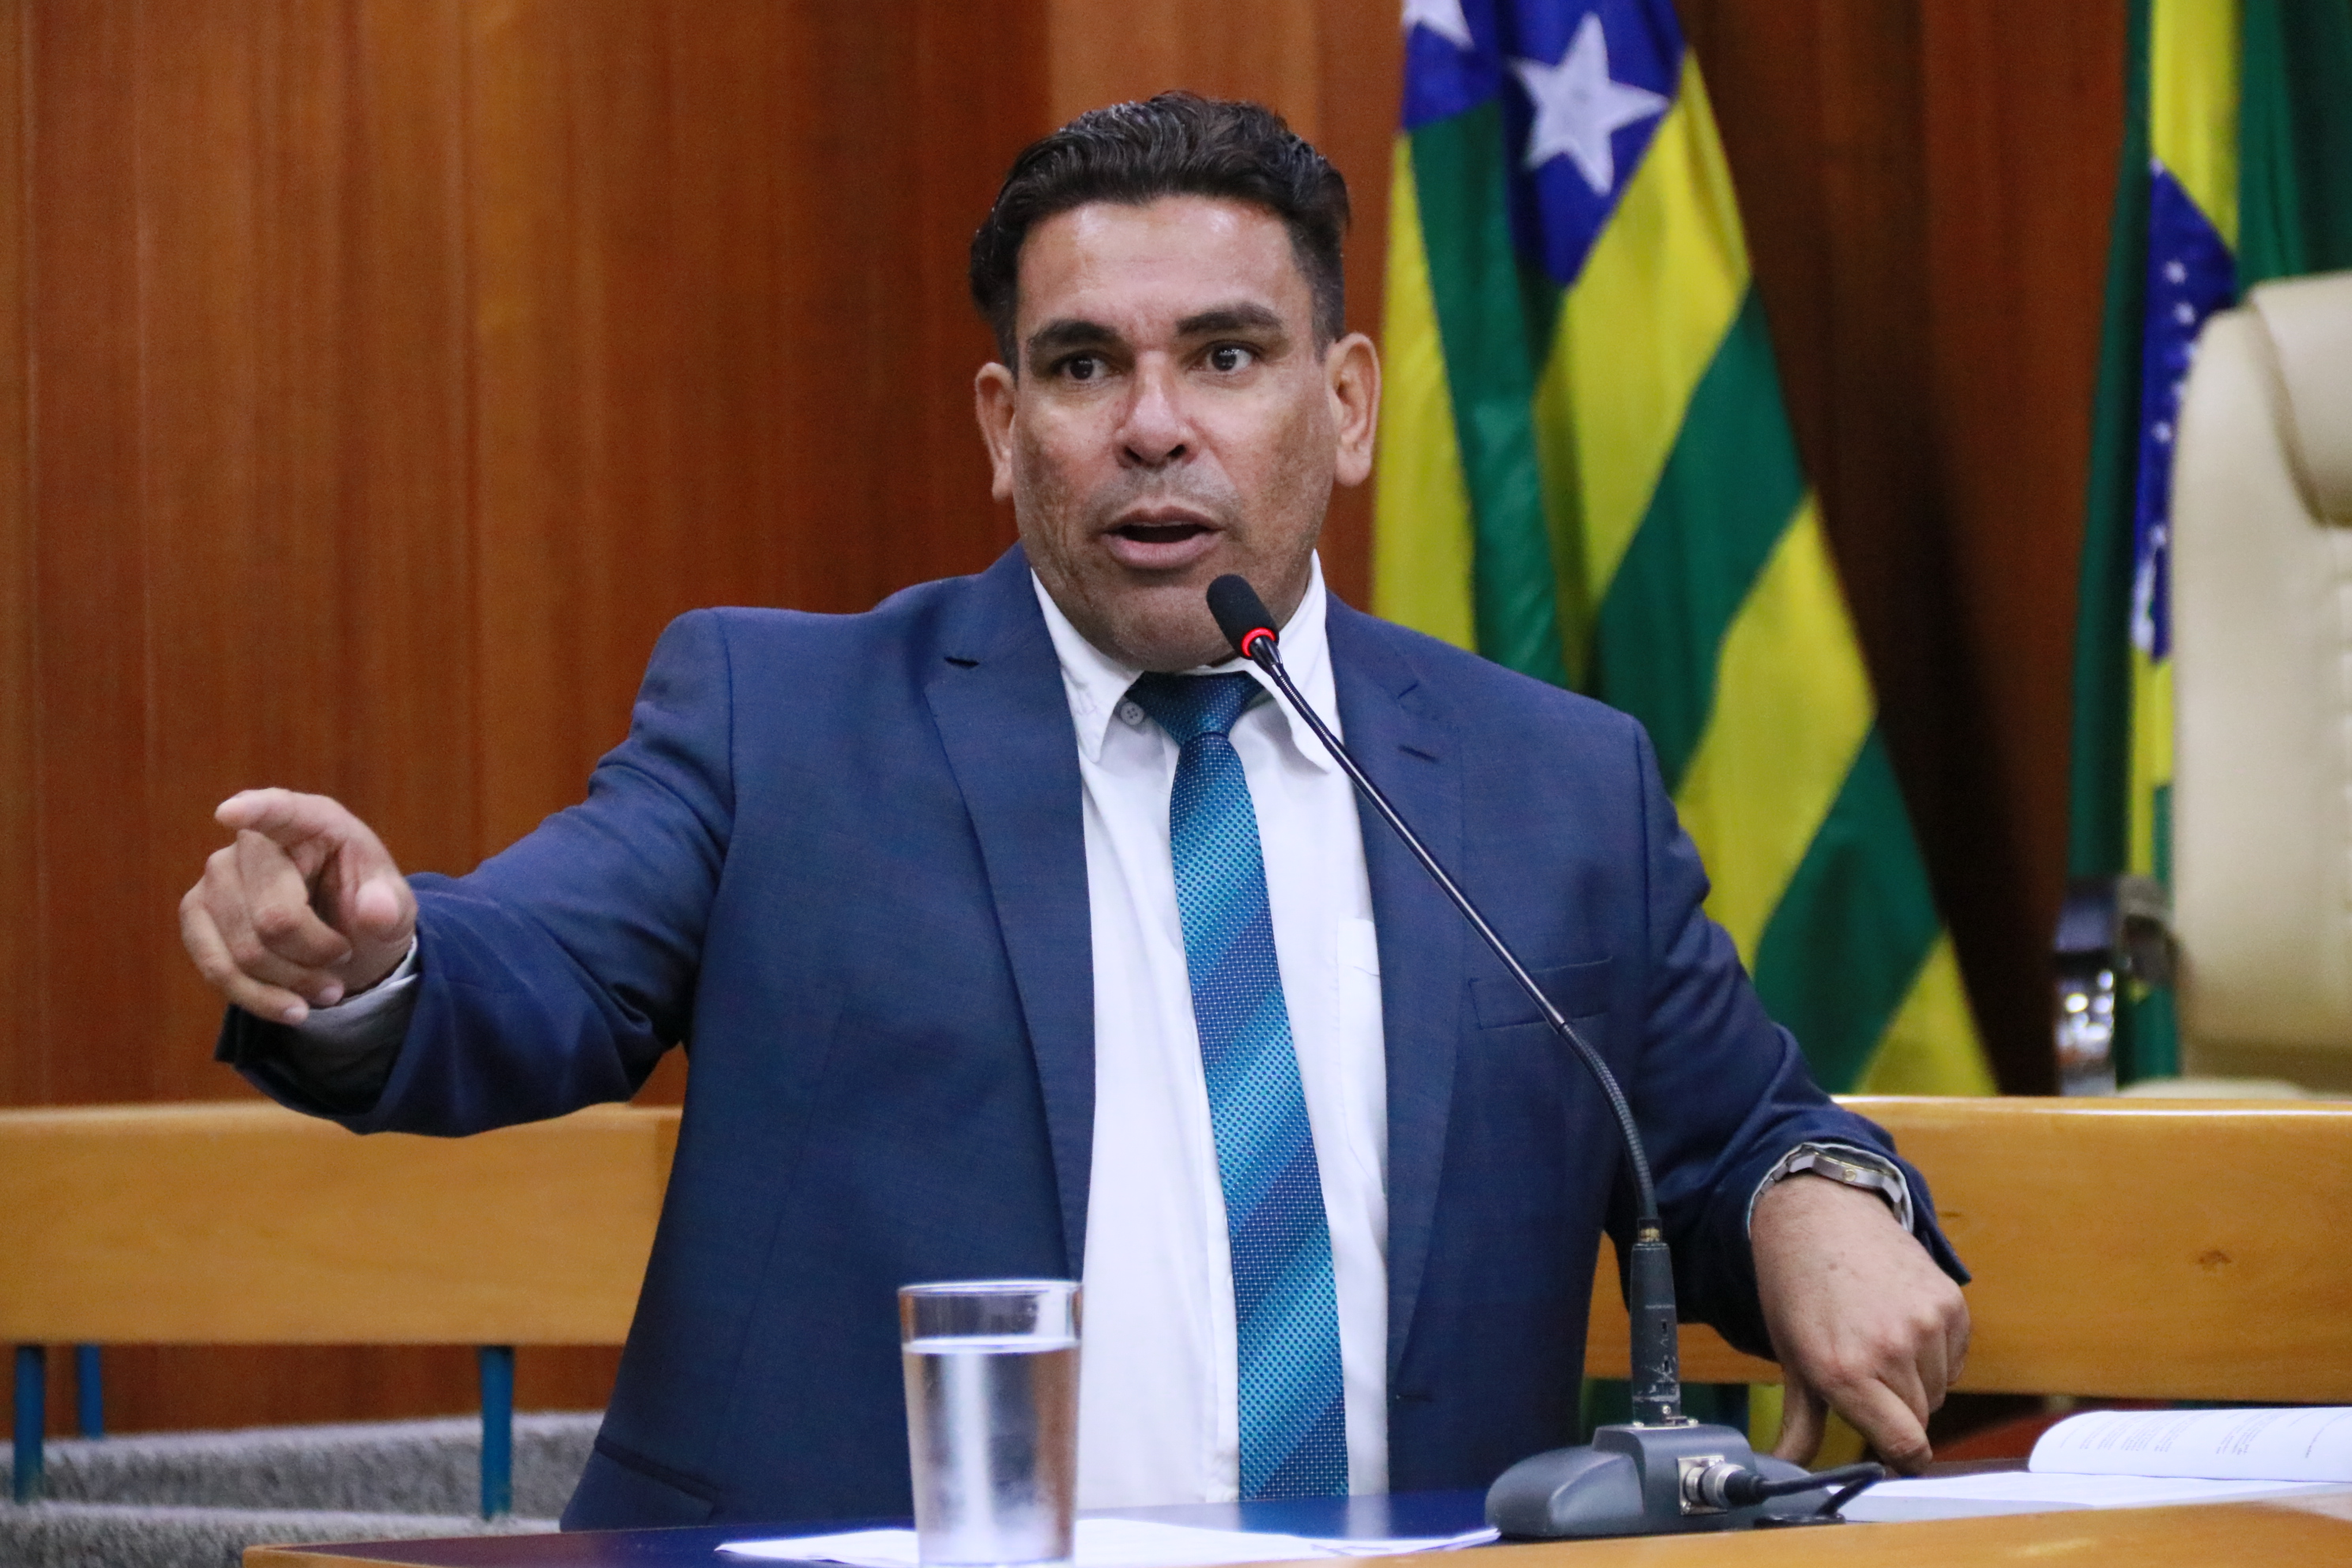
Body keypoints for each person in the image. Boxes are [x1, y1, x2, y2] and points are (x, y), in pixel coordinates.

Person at [179, 94, 1968, 1530]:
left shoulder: (1549, 783)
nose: (1153, 427)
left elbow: (1734, 1133)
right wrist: (370, 959)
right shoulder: (783, 724)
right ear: (1003, 422)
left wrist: (1817, 1197)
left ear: (1347, 405)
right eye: (1085, 366)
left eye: (1229, 356)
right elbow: (538, 963)